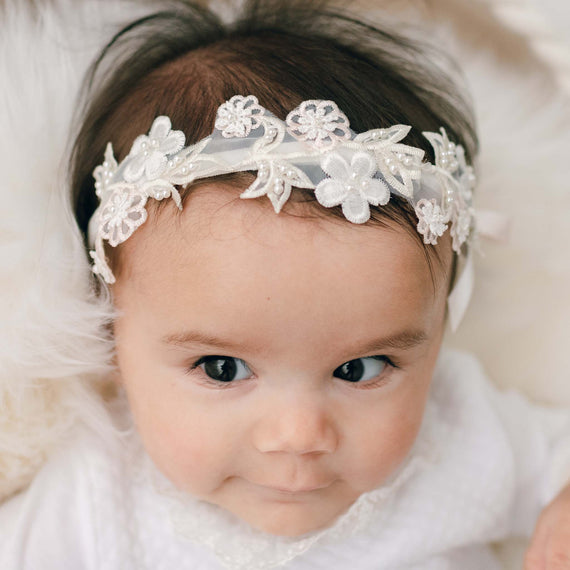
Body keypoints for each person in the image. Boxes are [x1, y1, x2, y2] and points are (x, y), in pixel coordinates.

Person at [1, 0, 570, 568]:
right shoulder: (97, 502)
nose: (299, 434)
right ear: (114, 340)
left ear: (438, 327)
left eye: (361, 368)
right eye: (221, 368)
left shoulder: (464, 434)